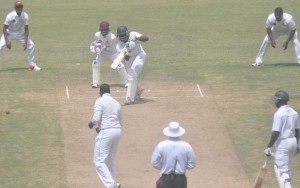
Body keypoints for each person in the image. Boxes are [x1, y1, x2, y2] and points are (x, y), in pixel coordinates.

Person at [88, 83, 122, 188]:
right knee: (109, 159)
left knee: (98, 161)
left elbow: (96, 118)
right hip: (117, 131)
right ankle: (113, 182)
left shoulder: (100, 101)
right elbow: (119, 121)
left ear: (100, 92)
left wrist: (91, 124)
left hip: (107, 132)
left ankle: (111, 185)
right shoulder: (117, 103)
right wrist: (101, 128)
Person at [264, 90, 299, 188]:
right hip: (293, 142)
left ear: (280, 100)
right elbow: (297, 130)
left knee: (282, 171)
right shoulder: (294, 113)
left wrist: (269, 146)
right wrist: (297, 145)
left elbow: (276, 132)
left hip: (283, 143)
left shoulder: (278, 114)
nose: (275, 102)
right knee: (286, 168)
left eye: (276, 100)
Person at [151, 122, 196, 188]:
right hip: (180, 179)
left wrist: (163, 166)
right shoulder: (187, 146)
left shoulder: (161, 145)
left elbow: (154, 162)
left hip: (165, 178)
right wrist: (183, 166)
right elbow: (192, 164)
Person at [0, 1, 42, 71]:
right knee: (0, 46)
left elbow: (26, 29)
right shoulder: (10, 16)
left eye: (21, 7)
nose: (19, 8)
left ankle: (32, 65)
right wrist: (7, 42)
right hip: (9, 32)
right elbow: (4, 29)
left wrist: (25, 42)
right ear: (15, 8)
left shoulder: (25, 16)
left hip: (20, 32)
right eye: (18, 7)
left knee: (32, 45)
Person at [116, 26, 149, 105]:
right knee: (132, 77)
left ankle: (129, 99)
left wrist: (138, 38)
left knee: (132, 74)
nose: (122, 37)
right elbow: (126, 58)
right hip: (130, 59)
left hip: (140, 55)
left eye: (123, 35)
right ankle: (138, 91)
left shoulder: (133, 34)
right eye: (120, 36)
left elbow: (146, 38)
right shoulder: (119, 46)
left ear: (127, 33)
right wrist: (127, 48)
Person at [90, 21, 127, 88]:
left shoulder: (112, 37)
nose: (104, 31)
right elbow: (97, 43)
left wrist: (102, 47)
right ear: (99, 29)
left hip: (113, 53)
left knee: (120, 65)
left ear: (108, 29)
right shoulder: (97, 35)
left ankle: (126, 82)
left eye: (105, 29)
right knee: (95, 64)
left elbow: (111, 48)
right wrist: (96, 48)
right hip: (102, 53)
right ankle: (95, 83)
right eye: (102, 30)